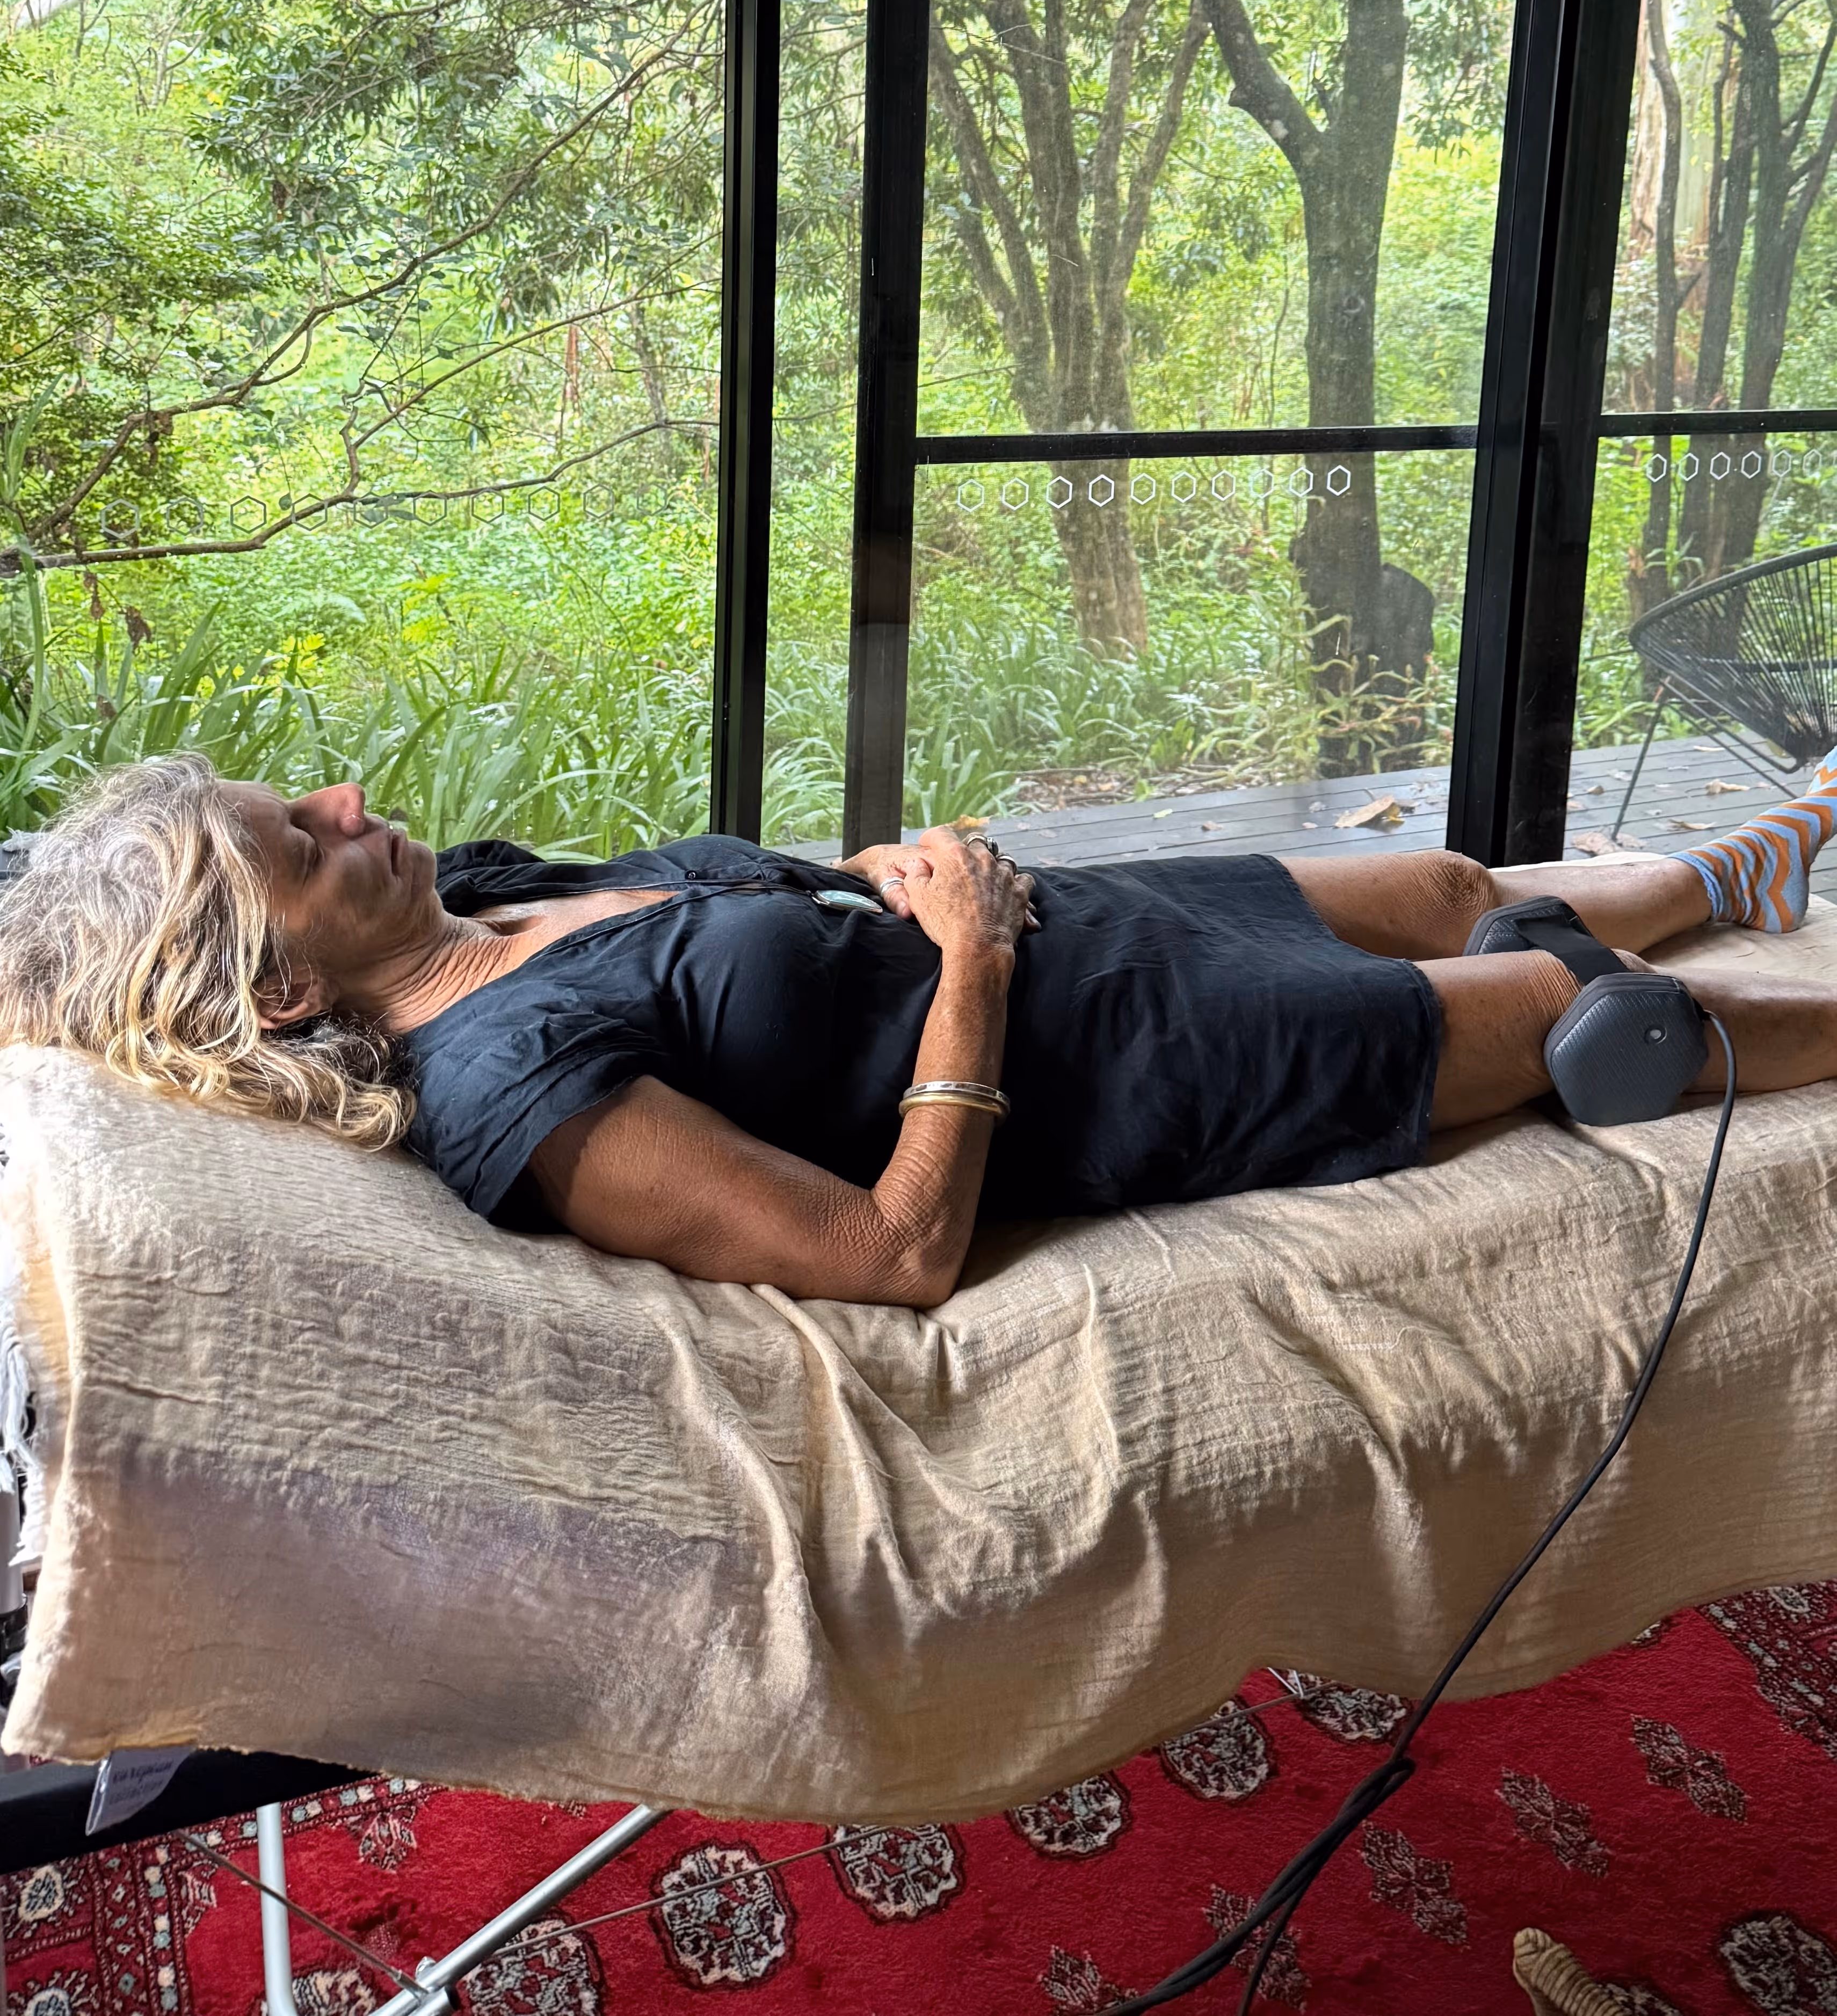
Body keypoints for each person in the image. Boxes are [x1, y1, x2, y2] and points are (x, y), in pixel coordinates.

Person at [4, 751, 1837, 1306]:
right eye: (297, 839)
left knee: (1446, 879)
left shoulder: (480, 889)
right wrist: (964, 959)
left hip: (1074, 917)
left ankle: (1737, 867)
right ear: (279, 992)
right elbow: (891, 1256)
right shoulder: (511, 1083)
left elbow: (751, 917)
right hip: (1142, 1057)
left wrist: (897, 880)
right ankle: (1715, 988)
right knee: (1565, 1007)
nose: (337, 799)